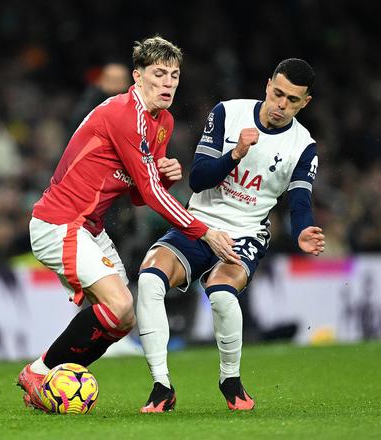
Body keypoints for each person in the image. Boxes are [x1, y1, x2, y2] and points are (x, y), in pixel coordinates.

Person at [17, 36, 240, 412]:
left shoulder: (163, 121)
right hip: (60, 222)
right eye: (159, 74)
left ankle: (48, 379)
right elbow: (150, 194)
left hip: (90, 228)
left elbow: (139, 194)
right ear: (137, 77)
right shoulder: (124, 114)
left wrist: (163, 176)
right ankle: (39, 374)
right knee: (119, 303)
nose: (168, 83)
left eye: (174, 75)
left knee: (122, 319)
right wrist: (204, 231)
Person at [136, 58, 325, 412]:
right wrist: (236, 153)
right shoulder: (228, 113)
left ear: (305, 103)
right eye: (278, 93)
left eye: (292, 100)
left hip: (246, 233)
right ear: (267, 85)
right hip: (200, 224)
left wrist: (302, 230)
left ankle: (230, 380)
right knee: (149, 280)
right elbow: (198, 179)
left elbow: (300, 198)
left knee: (222, 294)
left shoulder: (303, 145)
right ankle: (161, 386)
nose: (281, 105)